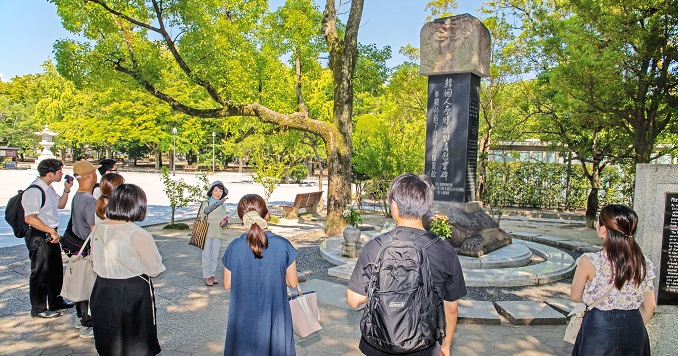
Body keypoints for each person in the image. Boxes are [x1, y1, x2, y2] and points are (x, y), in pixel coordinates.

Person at [347, 173, 467, 356]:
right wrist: (446, 345)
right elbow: (451, 308)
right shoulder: (444, 251)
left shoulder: (374, 247)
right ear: (427, 206)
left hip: (378, 344)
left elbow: (354, 300)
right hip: (424, 346)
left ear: (394, 205)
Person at [570, 204, 656, 355]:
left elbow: (575, 296)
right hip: (634, 328)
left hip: (598, 328)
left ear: (603, 230)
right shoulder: (643, 263)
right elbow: (650, 306)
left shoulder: (589, 261)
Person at [89, 184, 165, 356]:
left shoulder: (98, 229)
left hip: (101, 289)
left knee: (108, 339)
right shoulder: (137, 234)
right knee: (134, 343)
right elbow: (154, 269)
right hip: (131, 291)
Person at [222, 194, 299, 356]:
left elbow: (228, 284)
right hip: (275, 315)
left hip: (243, 317)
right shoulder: (283, 245)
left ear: (242, 220)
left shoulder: (234, 247)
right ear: (267, 215)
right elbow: (292, 282)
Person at [22, 158, 75, 318]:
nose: (62, 174)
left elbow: (59, 205)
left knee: (55, 270)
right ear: (50, 173)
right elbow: (30, 218)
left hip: (50, 232)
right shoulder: (35, 190)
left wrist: (67, 190)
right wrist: (50, 231)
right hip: (40, 234)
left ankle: (55, 300)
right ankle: (38, 308)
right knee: (40, 271)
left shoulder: (48, 188)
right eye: (59, 171)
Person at [64, 160, 100, 338]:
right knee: (89, 284)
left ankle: (81, 316)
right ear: (89, 176)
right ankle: (87, 321)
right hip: (88, 250)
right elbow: (95, 230)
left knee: (83, 282)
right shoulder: (89, 201)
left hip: (78, 246)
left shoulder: (78, 196)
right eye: (94, 172)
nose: (96, 175)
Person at [200, 181, 232, 286]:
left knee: (215, 256)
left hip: (218, 234)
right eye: (216, 190)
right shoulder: (207, 203)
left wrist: (224, 222)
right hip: (207, 233)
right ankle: (206, 276)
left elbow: (224, 219)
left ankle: (212, 275)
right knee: (206, 256)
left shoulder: (223, 207)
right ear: (211, 191)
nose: (218, 193)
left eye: (220, 191)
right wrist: (220, 202)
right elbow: (206, 211)